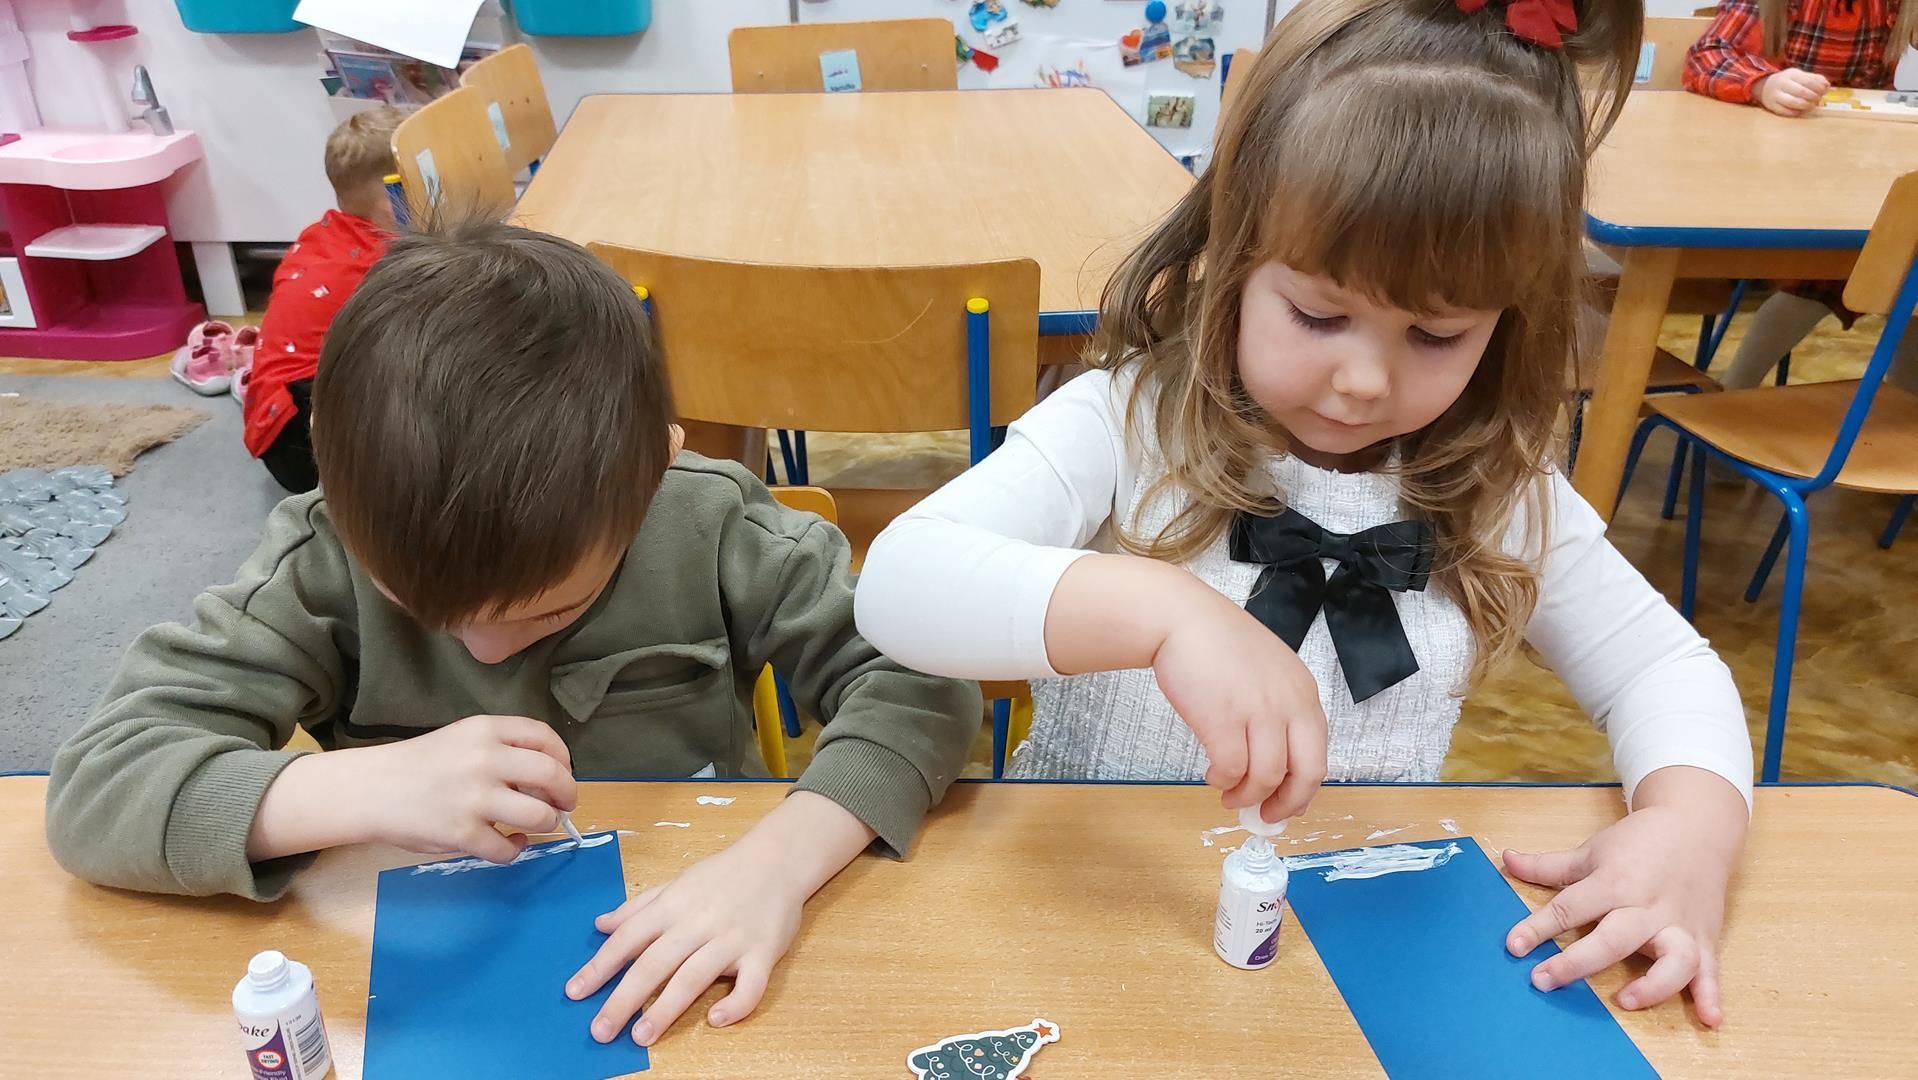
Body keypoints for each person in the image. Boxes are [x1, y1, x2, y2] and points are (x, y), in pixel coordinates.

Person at [857, 0, 1752, 1025]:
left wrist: (1690, 831)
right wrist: (1164, 612)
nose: (1363, 379)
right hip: (1078, 912)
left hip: (1343, 960)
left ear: (1507, 323)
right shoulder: (1127, 424)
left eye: (1437, 336)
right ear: (1235, 255)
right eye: (1319, 315)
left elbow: (1663, 668)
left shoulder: (1496, 490)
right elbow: (899, 582)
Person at [45, 221, 981, 1048]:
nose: (487, 651)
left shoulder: (712, 524)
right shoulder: (319, 560)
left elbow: (927, 681)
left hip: (696, 908)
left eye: (547, 611)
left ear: (657, 469)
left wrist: (777, 863)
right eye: (422, 610)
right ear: (330, 463)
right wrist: (353, 786)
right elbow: (97, 787)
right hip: (413, 961)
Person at [1684, 0, 1918, 391]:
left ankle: (1901, 408)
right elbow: (1706, 56)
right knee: (1833, 280)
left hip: (1862, 183)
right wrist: (1762, 84)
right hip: (1779, 182)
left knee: (1903, 270)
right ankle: (1735, 391)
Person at [240, 106, 405, 492]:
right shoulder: (380, 267)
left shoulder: (321, 234)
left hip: (272, 417)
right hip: (302, 448)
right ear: (393, 201)